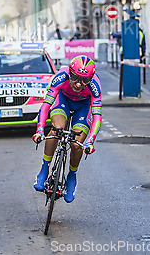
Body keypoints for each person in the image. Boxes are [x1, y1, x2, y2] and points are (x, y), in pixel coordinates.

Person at [32, 55, 102, 203]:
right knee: (57, 129)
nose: (78, 84)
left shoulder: (95, 86)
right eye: (75, 78)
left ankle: (72, 176)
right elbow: (45, 106)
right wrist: (39, 130)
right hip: (63, 101)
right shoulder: (61, 77)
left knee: (77, 144)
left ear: (91, 79)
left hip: (83, 107)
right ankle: (44, 169)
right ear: (70, 73)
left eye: (85, 80)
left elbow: (97, 117)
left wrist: (90, 141)